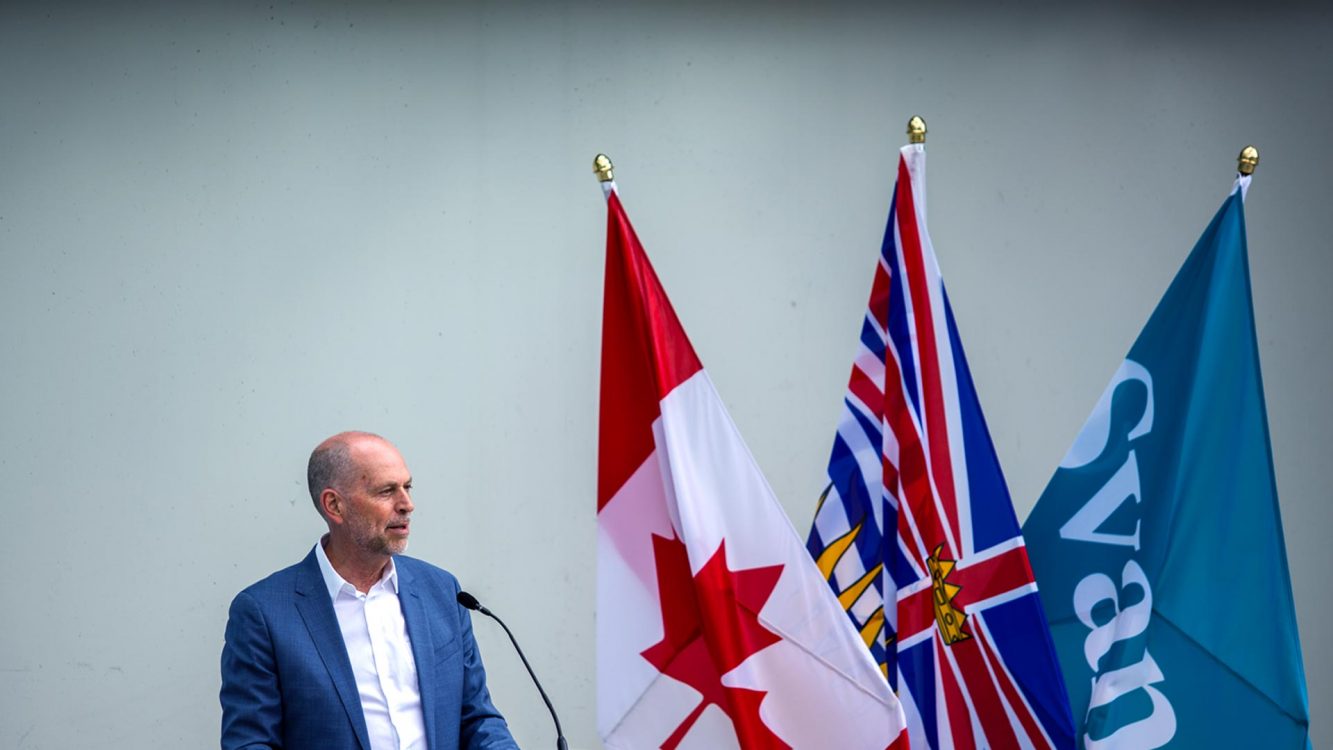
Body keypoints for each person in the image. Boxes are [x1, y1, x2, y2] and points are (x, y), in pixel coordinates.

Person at [220, 431, 518, 750]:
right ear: (335, 505)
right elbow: (251, 742)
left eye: (407, 487)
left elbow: (477, 719)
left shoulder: (442, 591)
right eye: (386, 491)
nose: (407, 505)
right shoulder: (264, 613)